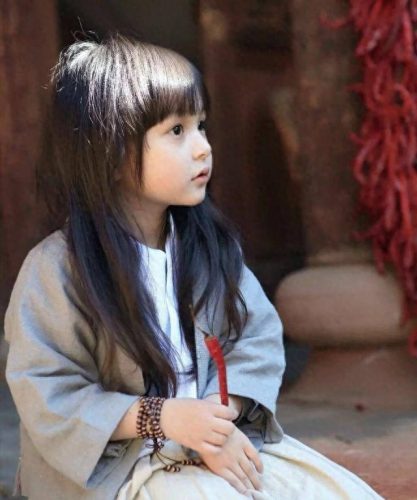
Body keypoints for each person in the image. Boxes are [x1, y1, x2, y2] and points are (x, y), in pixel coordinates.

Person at [4, 33, 383, 500]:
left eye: (201, 125)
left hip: (212, 442)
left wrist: (217, 419)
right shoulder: (56, 269)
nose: (203, 147)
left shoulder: (210, 248)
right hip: (116, 470)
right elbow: (48, 393)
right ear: (112, 152)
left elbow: (257, 337)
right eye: (177, 131)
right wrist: (164, 417)